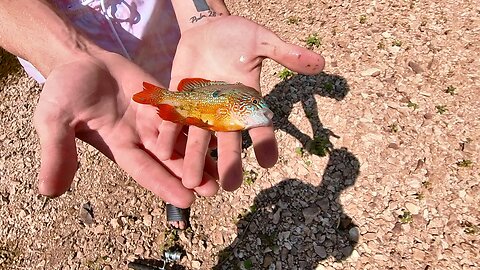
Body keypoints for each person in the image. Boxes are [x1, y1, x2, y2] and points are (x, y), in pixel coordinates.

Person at [0, 0, 325, 228]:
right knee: (149, 137)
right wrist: (65, 54)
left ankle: (202, 155)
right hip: (92, 73)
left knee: (192, 130)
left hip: (176, 41)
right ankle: (178, 179)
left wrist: (205, 16)